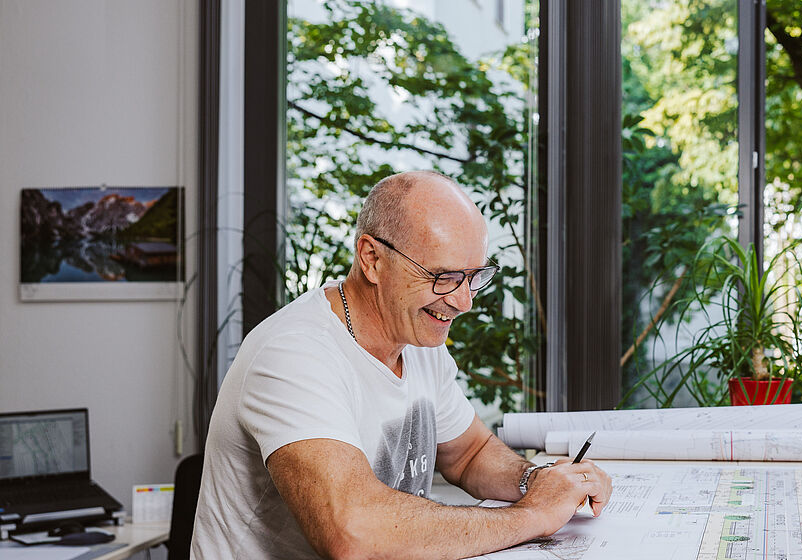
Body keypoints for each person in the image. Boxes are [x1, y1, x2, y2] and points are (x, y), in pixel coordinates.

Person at [192, 171, 612, 559]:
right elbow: (352, 532)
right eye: (444, 276)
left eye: (473, 277)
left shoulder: (418, 338)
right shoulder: (293, 354)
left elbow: (468, 453)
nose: (463, 301)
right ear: (372, 259)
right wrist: (533, 517)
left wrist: (535, 481)